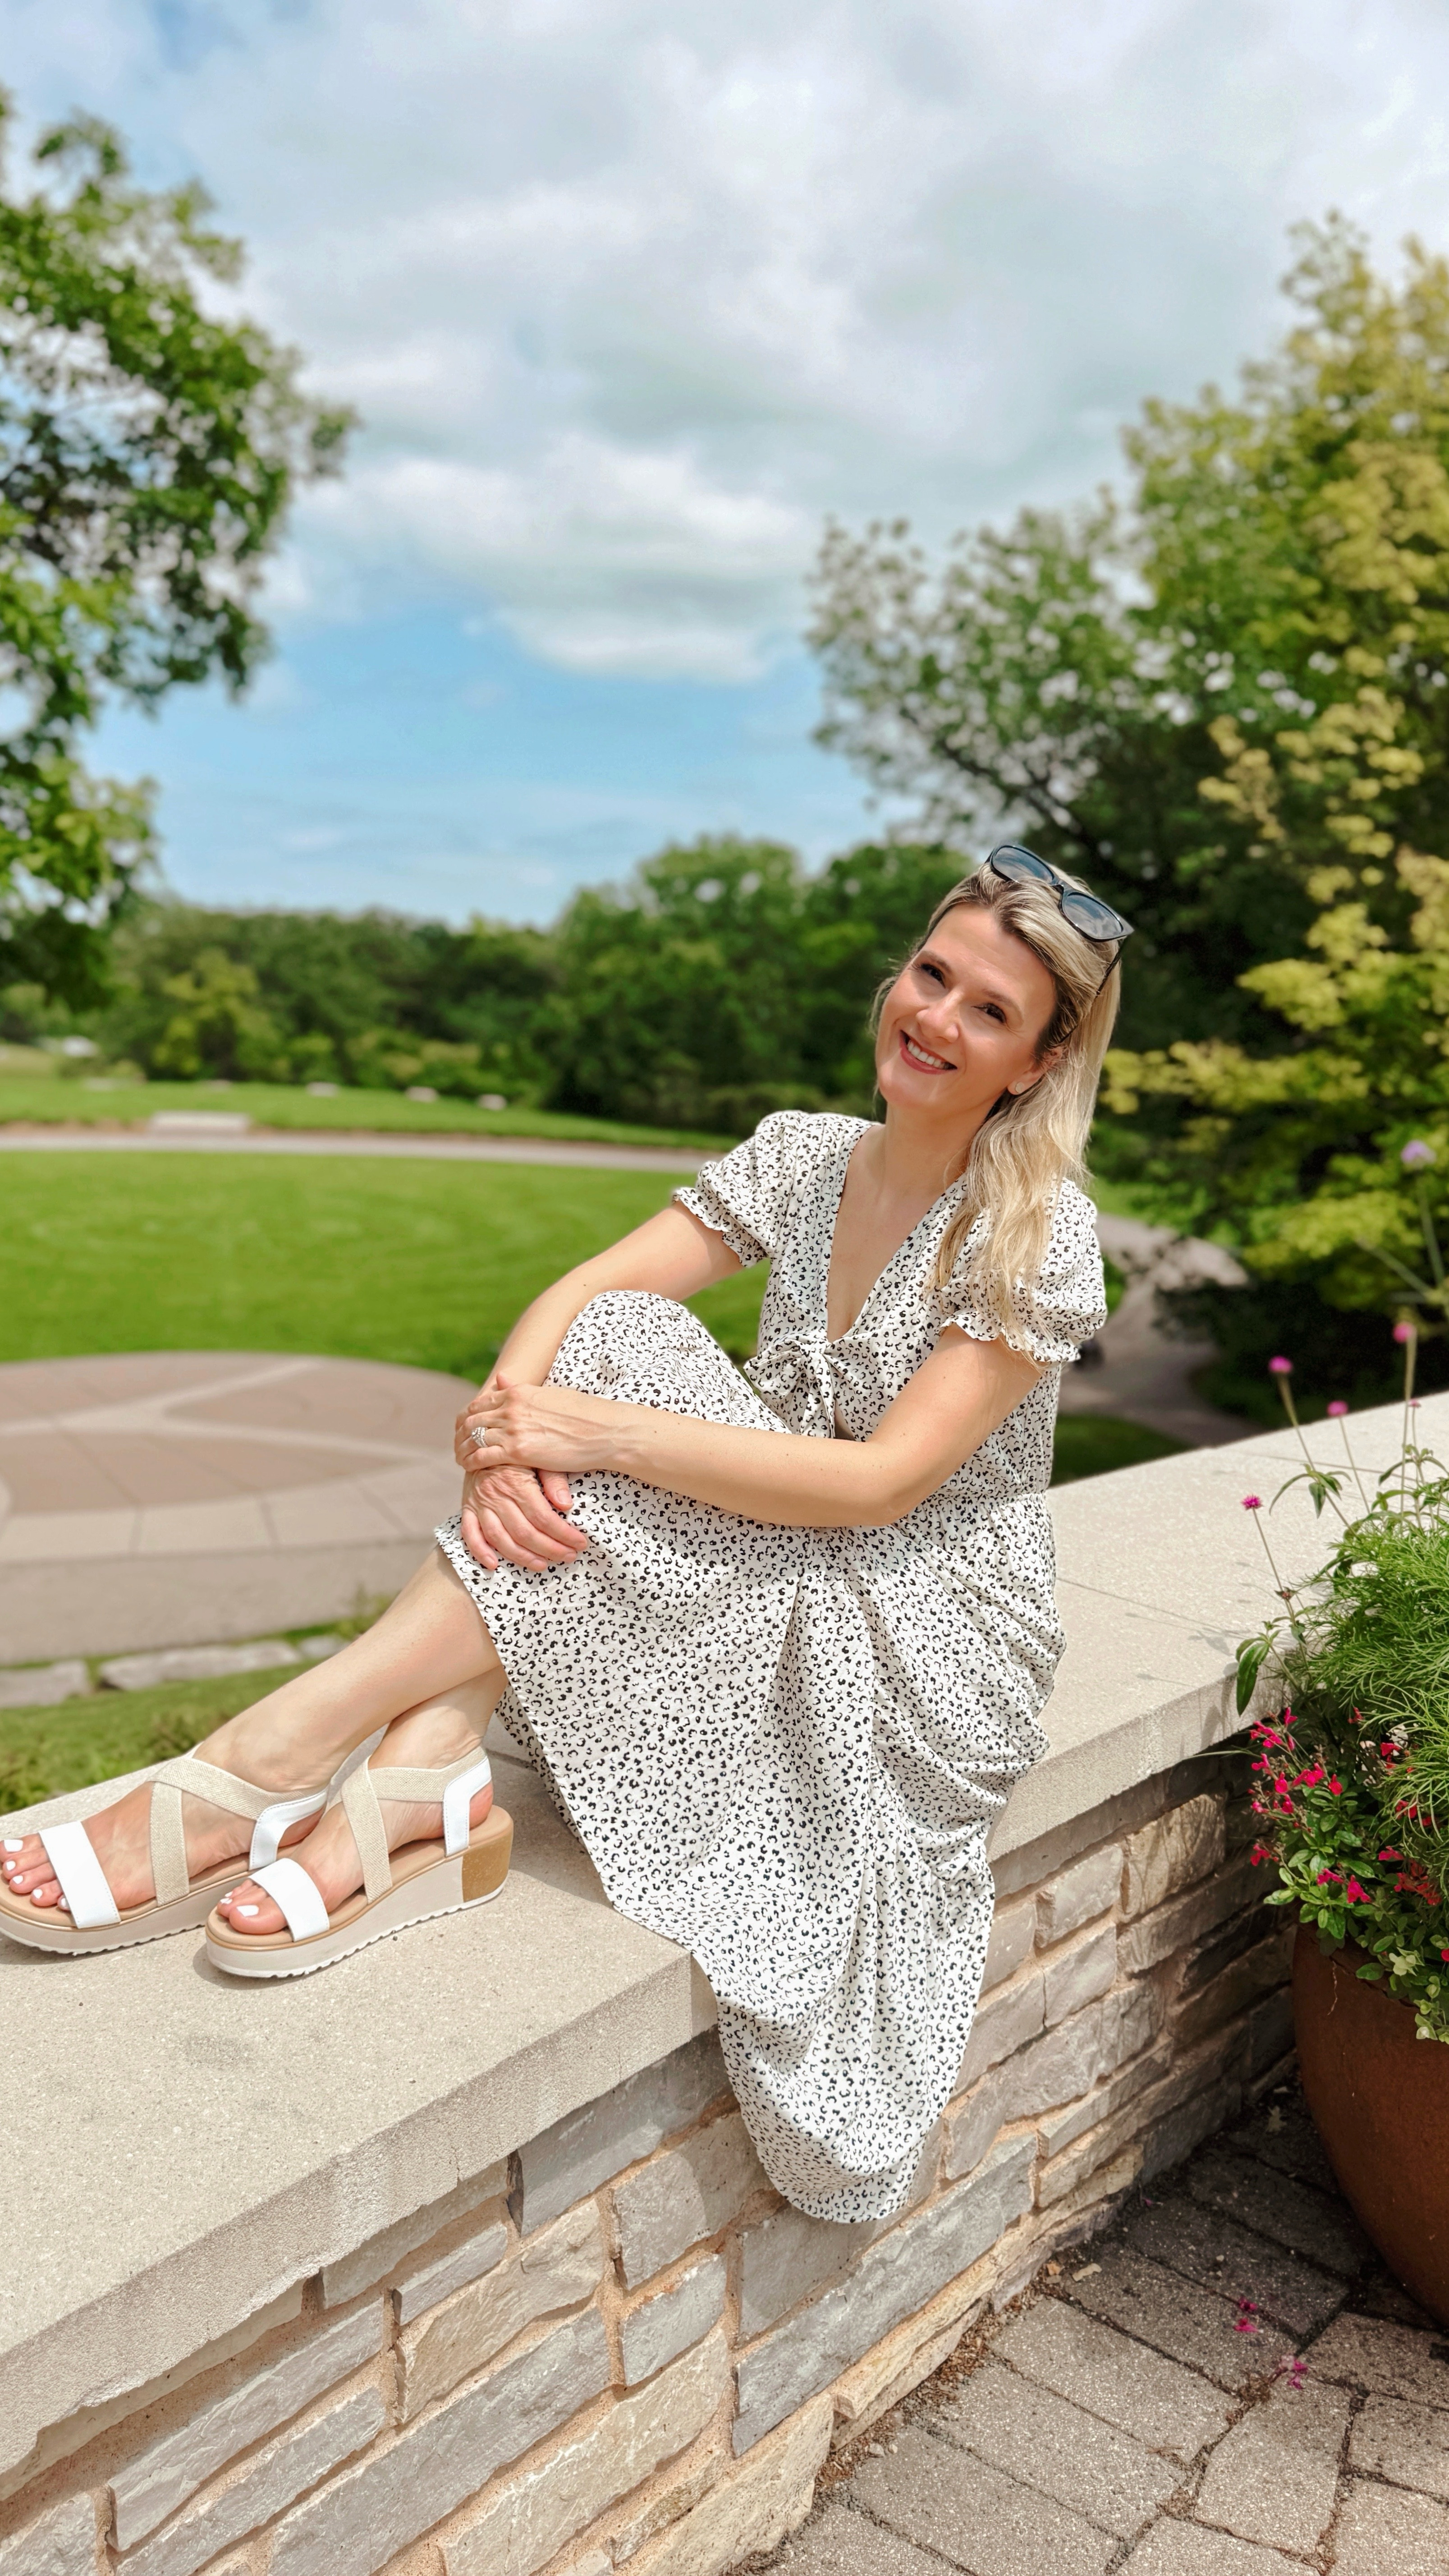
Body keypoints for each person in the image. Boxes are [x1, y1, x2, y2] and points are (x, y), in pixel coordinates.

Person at [0, 848, 1128, 2223]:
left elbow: (884, 1483)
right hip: (776, 1533)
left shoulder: (1034, 1232)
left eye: (990, 1012)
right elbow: (585, 1293)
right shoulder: (806, 1156)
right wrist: (500, 1434)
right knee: (616, 1341)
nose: (936, 1019)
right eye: (932, 974)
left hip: (924, 1628)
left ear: (1040, 1056)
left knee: (622, 1398)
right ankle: (414, 1771)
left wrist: (586, 1436)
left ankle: (275, 1752)